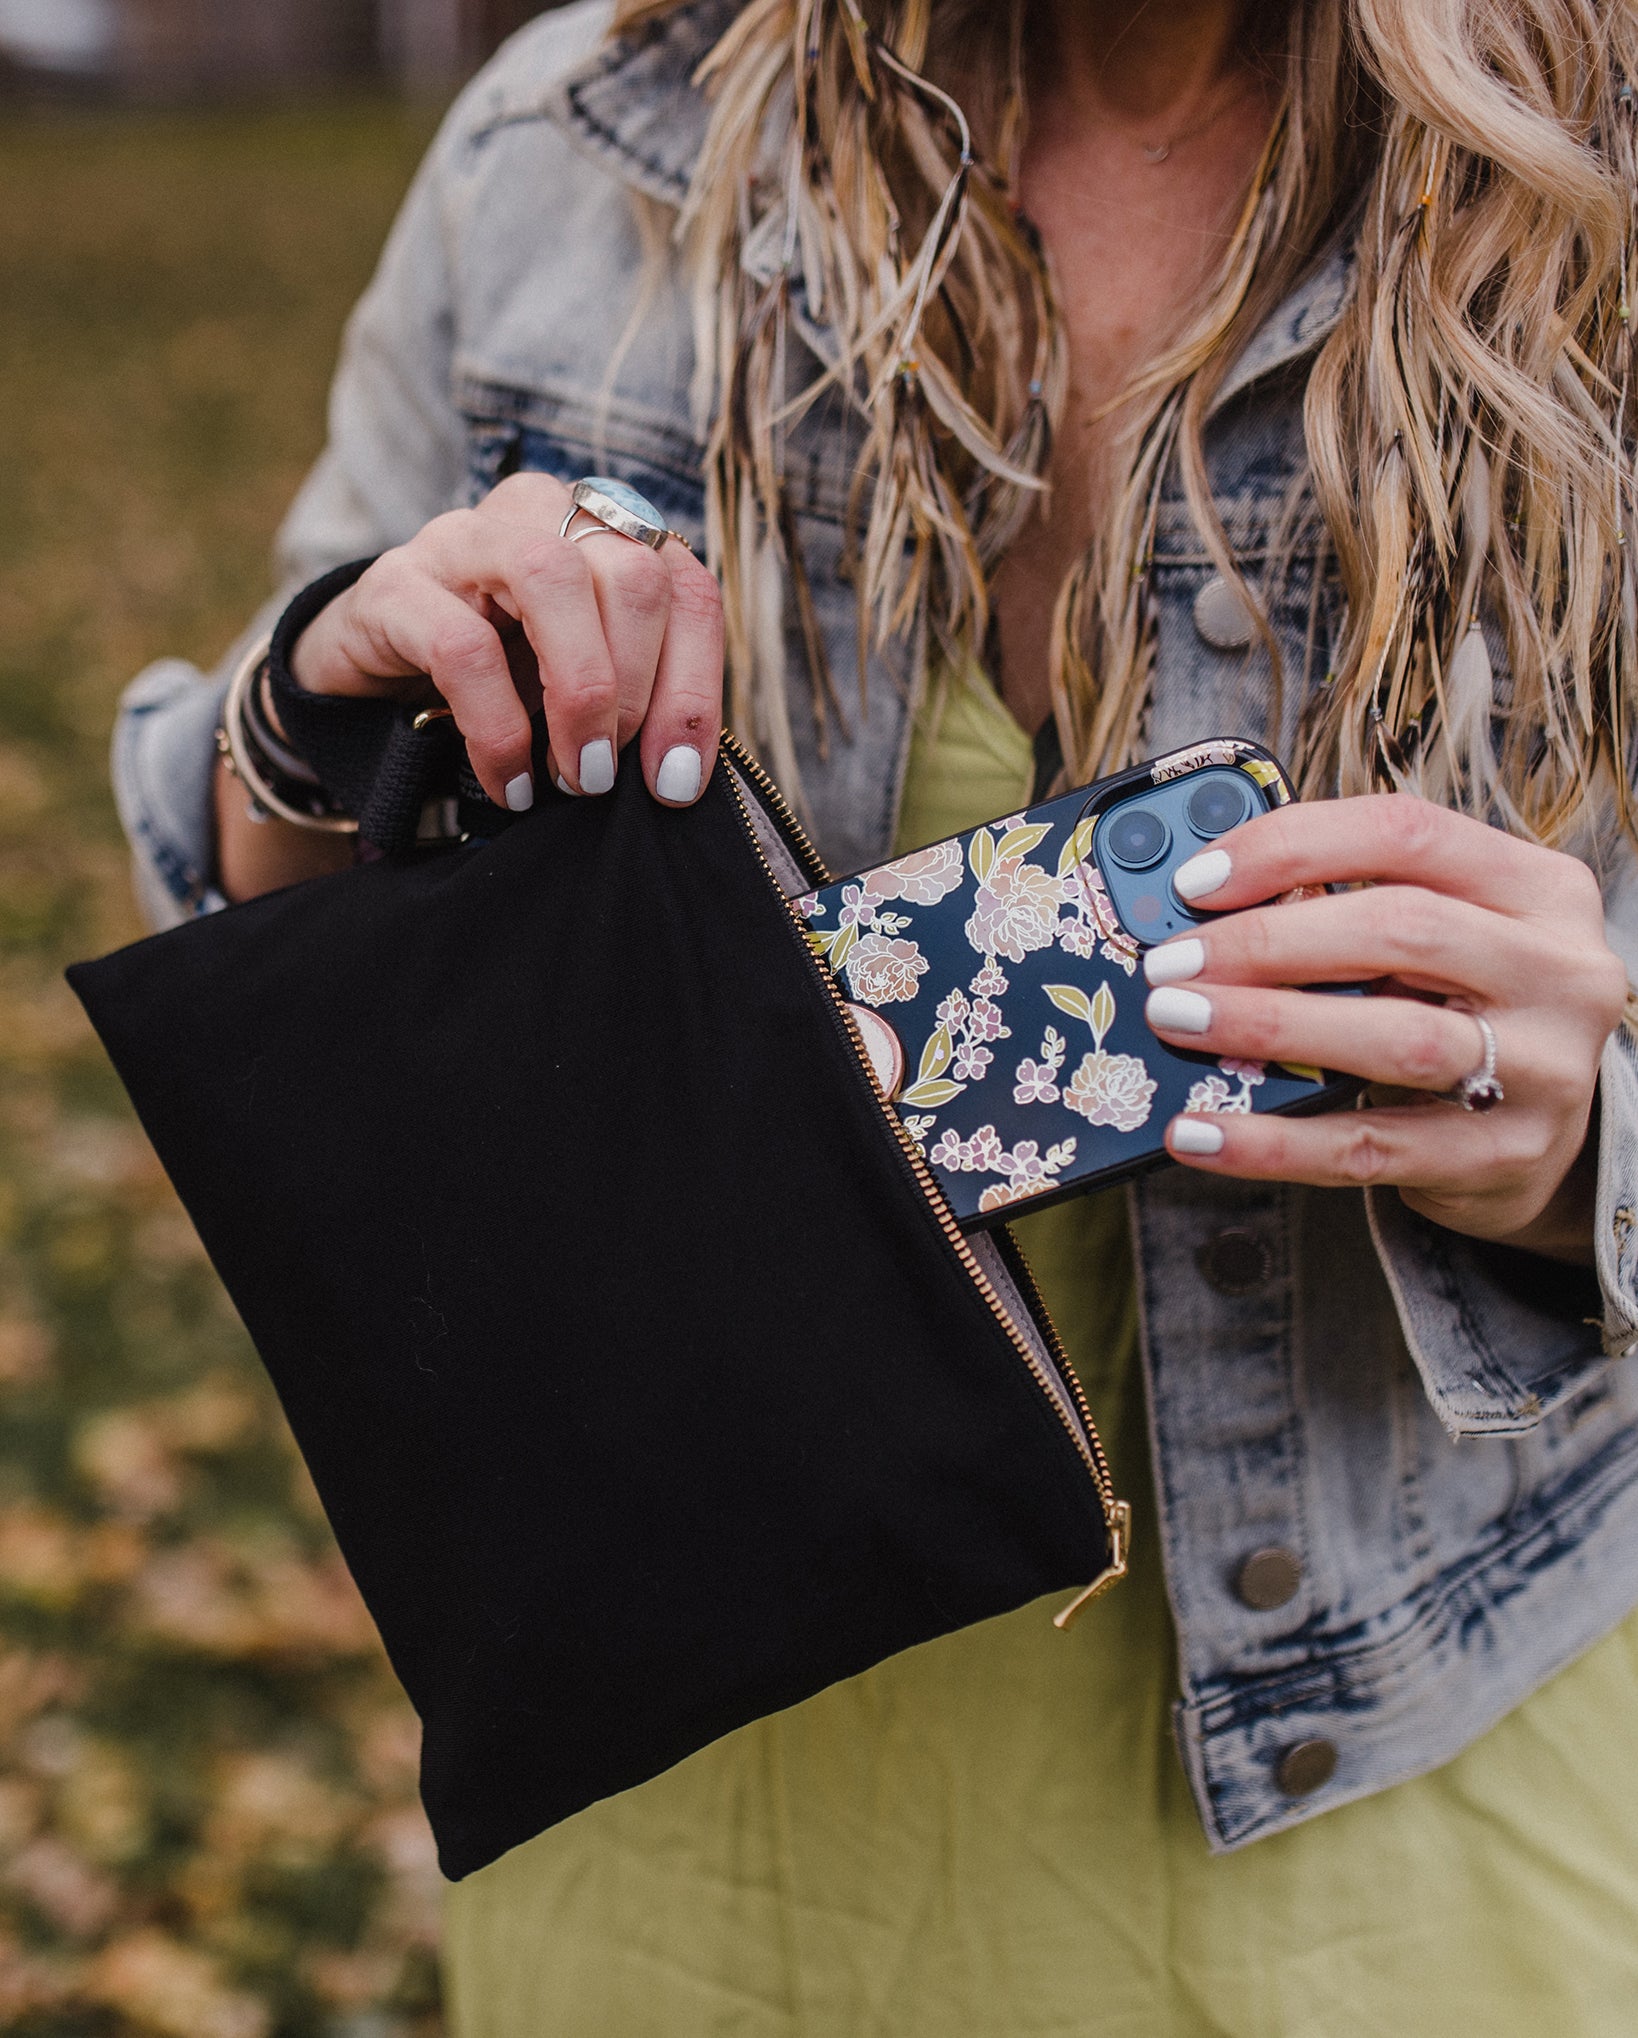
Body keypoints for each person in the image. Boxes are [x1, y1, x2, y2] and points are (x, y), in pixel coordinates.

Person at [113, 0, 1638, 2029]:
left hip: (1399, 1835)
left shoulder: (1587, 198)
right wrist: (316, 714)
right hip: (685, 1821)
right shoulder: (580, 146)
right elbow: (257, 917)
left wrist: (1578, 1146)